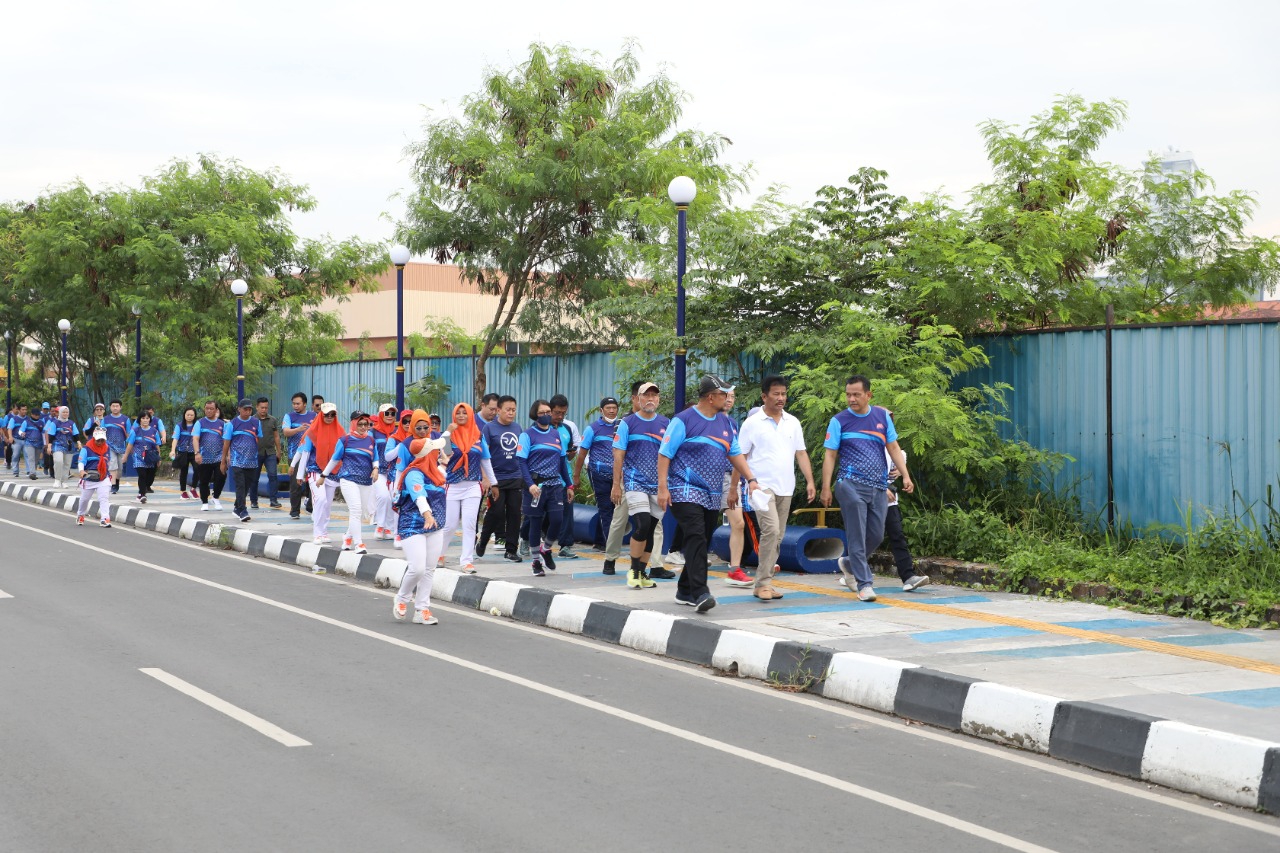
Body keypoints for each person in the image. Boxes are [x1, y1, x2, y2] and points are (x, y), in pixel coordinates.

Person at [658, 375, 760, 613]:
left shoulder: (725, 423)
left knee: (701, 537)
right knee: (695, 537)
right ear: (712, 396)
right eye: (725, 394)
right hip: (684, 490)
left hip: (712, 494)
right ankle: (700, 592)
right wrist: (663, 487)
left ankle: (684, 590)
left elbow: (735, 454)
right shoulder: (684, 420)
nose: (728, 398)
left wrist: (751, 479)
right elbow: (665, 453)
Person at [820, 374, 913, 602]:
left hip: (878, 487)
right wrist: (826, 487)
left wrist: (906, 476)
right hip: (849, 484)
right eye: (848, 394)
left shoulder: (882, 417)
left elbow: (892, 446)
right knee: (857, 534)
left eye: (856, 394)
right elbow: (830, 455)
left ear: (868, 395)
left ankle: (849, 563)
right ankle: (865, 584)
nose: (851, 399)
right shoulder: (839, 420)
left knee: (876, 535)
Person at [735, 374, 816, 601]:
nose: (781, 398)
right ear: (764, 396)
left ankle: (766, 582)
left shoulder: (793, 422)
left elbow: (800, 453)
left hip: (786, 487)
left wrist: (810, 481)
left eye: (783, 394)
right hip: (760, 487)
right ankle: (763, 584)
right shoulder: (752, 423)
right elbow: (738, 456)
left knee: (778, 536)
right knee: (770, 530)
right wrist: (734, 487)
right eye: (776, 394)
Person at [611, 381, 670, 588]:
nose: (650, 399)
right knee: (642, 523)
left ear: (658, 399)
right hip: (635, 482)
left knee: (651, 527)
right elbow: (618, 455)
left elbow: (671, 454)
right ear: (638, 399)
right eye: (646, 396)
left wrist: (667, 485)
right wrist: (616, 485)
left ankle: (642, 573)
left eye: (654, 396)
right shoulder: (628, 423)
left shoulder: (666, 423)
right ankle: (634, 570)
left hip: (658, 484)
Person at [392, 430, 450, 624]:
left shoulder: (438, 472)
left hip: (436, 526)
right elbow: (419, 496)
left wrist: (449, 433)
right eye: (434, 450)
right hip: (413, 525)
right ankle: (402, 597)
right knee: (417, 568)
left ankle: (422, 610)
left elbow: (447, 453)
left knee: (429, 569)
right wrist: (427, 514)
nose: (437, 453)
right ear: (426, 454)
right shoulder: (413, 474)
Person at [516, 399, 573, 577]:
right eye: (542, 412)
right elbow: (521, 462)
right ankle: (535, 562)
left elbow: (562, 461)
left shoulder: (556, 434)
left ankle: (546, 549)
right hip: (536, 486)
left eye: (549, 412)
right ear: (535, 414)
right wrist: (530, 485)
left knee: (557, 520)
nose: (547, 415)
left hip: (555, 485)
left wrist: (569, 484)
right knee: (535, 523)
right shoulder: (527, 435)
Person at [436, 402, 495, 573]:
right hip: (452, 486)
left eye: (465, 413)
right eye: (458, 413)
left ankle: (466, 561)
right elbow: (444, 453)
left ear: (470, 415)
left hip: (473, 486)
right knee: (450, 525)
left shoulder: (478, 436)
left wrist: (493, 482)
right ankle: (439, 554)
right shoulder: (448, 436)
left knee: (469, 525)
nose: (461, 416)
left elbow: (485, 460)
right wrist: (448, 431)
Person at [321, 411, 379, 553]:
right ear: (353, 423)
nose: (363, 427)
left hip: (366, 481)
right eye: (360, 424)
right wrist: (323, 475)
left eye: (366, 424)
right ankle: (358, 544)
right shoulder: (345, 440)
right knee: (356, 510)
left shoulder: (371, 440)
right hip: (348, 479)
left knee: (360, 512)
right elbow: (334, 459)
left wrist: (376, 468)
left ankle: (347, 537)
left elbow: (375, 457)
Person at [477, 394, 523, 562]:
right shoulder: (489, 429)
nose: (511, 413)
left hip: (515, 476)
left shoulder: (518, 428)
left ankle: (511, 550)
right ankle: (483, 539)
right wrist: (486, 478)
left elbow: (522, 452)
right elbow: (483, 454)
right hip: (496, 478)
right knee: (496, 512)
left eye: (514, 410)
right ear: (498, 411)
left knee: (514, 514)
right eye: (508, 410)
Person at [573, 396, 620, 554]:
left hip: (617, 475)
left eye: (614, 408)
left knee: (613, 508)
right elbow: (581, 454)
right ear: (601, 410)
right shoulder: (592, 428)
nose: (612, 411)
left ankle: (600, 541)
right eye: (608, 408)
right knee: (606, 508)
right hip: (598, 474)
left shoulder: (621, 427)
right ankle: (610, 546)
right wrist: (576, 476)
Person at [295, 402, 345, 544]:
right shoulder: (312, 431)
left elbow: (342, 454)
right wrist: (300, 474)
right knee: (320, 499)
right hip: (314, 470)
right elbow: (305, 452)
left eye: (332, 415)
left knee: (327, 503)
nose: (329, 417)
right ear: (321, 415)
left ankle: (324, 531)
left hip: (332, 472)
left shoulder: (340, 432)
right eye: (326, 415)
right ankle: (317, 533)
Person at [883, 442, 930, 592]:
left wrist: (903, 473)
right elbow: (861, 472)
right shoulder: (868, 445)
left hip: (889, 502)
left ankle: (908, 576)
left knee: (897, 536)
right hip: (869, 499)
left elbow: (901, 465)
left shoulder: (899, 453)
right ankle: (851, 568)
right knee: (870, 537)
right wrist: (881, 487)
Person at [548, 394, 582, 558]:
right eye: (557, 413)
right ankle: (528, 539)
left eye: (563, 413)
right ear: (549, 411)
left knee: (567, 511)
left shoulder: (567, 428)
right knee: (540, 512)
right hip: (544, 478)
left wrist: (571, 454)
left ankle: (566, 545)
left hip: (564, 477)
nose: (560, 416)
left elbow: (569, 455)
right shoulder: (540, 428)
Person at [223, 399, 264, 522]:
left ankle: (236, 507)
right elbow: (226, 443)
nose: (247, 411)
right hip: (237, 460)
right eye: (245, 409)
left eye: (250, 409)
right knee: (240, 485)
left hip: (251, 460)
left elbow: (258, 439)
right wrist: (224, 460)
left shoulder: (256, 423)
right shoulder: (232, 424)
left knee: (246, 486)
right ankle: (242, 510)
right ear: (239, 409)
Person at [383, 409, 416, 548]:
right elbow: (387, 456)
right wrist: (401, 446)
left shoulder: (418, 438)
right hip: (396, 476)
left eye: (411, 421)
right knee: (398, 504)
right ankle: (397, 533)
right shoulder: (394, 438)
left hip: (414, 476)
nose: (408, 424)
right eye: (405, 421)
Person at [282, 392, 317, 519]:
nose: (295, 406)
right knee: (296, 484)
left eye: (298, 403)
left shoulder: (314, 416)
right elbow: (285, 432)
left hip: (312, 455)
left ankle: (311, 507)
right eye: (294, 403)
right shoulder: (289, 416)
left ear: (305, 404)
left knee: (313, 482)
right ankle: (295, 510)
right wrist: (298, 429)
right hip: (295, 454)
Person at [191, 399, 227, 511]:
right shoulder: (200, 423)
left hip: (219, 456)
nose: (209, 411)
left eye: (212, 409)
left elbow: (226, 441)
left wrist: (227, 456)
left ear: (216, 410)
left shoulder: (222, 424)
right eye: (207, 408)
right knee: (204, 480)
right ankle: (205, 502)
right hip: (204, 456)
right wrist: (197, 453)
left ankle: (216, 497)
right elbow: (195, 438)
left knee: (221, 477)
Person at [370, 403, 399, 541]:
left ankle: (389, 528)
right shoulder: (374, 432)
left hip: (394, 471)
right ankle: (380, 525)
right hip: (379, 470)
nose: (389, 416)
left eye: (392, 413)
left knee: (393, 498)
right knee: (383, 496)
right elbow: (369, 450)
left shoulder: (398, 430)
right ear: (381, 415)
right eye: (386, 413)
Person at [77, 426, 114, 527]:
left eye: (102, 440)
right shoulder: (86, 448)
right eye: (98, 440)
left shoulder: (107, 448)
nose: (100, 442)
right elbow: (81, 461)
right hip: (89, 478)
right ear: (94, 438)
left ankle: (105, 519)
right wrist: (81, 471)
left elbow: (108, 462)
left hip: (103, 478)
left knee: (104, 498)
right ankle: (80, 514)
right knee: (84, 499)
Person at [250, 397, 283, 510]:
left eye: (266, 407)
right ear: (257, 407)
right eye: (262, 407)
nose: (264, 410)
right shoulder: (252, 420)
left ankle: (273, 500)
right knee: (254, 478)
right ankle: (254, 501)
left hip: (270, 452)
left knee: (273, 475)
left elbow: (276, 436)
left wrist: (279, 451)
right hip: (256, 453)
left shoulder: (272, 420)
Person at [124, 412, 162, 503]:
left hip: (150, 457)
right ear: (140, 420)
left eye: (147, 418)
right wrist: (126, 456)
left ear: (150, 420)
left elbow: (157, 445)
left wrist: (159, 457)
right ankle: (142, 494)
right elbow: (130, 444)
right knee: (142, 475)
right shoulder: (135, 431)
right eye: (143, 418)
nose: (145, 420)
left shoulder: (154, 431)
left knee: (150, 477)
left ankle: (142, 492)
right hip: (138, 456)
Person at [44, 405, 82, 488]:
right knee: (58, 461)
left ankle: (64, 481)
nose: (65, 413)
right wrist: (49, 446)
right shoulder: (55, 423)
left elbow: (75, 434)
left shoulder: (71, 423)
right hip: (57, 445)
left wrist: (78, 442)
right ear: (60, 413)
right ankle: (57, 479)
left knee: (67, 464)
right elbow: (51, 435)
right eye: (63, 412)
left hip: (69, 445)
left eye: (67, 412)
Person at [102, 400, 131, 495]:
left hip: (121, 446)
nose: (115, 408)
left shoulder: (125, 419)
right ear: (110, 407)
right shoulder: (105, 419)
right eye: (113, 406)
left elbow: (128, 434)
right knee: (112, 465)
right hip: (108, 446)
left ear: (120, 407)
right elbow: (101, 433)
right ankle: (113, 484)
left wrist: (129, 447)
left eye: (117, 406)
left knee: (120, 468)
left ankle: (117, 480)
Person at [170, 406, 199, 499]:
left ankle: (193, 489)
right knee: (184, 472)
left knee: (198, 469)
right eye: (188, 414)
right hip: (183, 452)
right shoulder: (179, 426)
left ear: (195, 416)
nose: (190, 416)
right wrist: (172, 450)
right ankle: (183, 491)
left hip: (194, 452)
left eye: (192, 415)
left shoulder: (197, 425)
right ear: (184, 415)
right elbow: (175, 438)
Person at [12, 404, 41, 479]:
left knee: (36, 459)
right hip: (27, 442)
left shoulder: (41, 422)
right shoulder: (26, 421)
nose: (37, 416)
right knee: (26, 457)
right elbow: (20, 430)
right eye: (35, 414)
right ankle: (31, 473)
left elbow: (45, 433)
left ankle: (32, 471)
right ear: (32, 414)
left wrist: (46, 443)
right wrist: (21, 433)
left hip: (38, 443)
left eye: (38, 415)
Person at [39, 402, 54, 478]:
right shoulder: (43, 417)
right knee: (45, 450)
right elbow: (44, 429)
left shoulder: (52, 417)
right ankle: (45, 466)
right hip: (43, 435)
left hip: (52, 436)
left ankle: (47, 466)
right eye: (45, 409)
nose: (46, 410)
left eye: (47, 409)